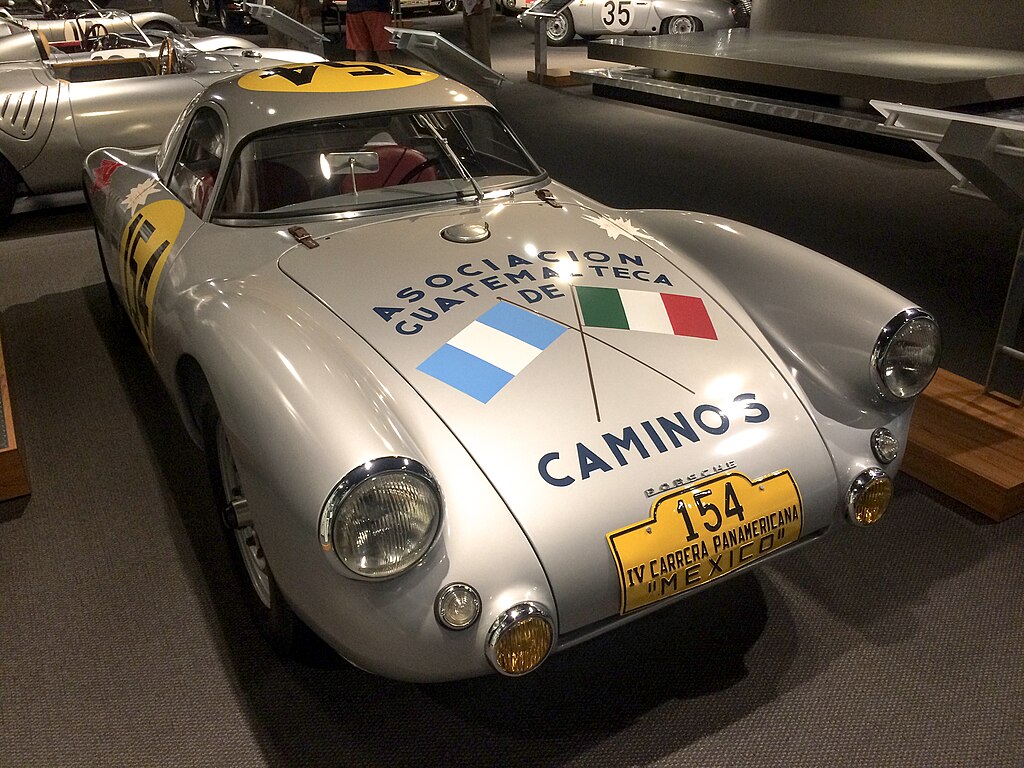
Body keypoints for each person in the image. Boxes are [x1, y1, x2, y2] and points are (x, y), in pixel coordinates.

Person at [461, 0, 493, 67]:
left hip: (479, 6)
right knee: (469, 44)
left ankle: (484, 73)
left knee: (480, 45)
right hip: (468, 6)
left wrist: (480, 3)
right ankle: (474, 71)